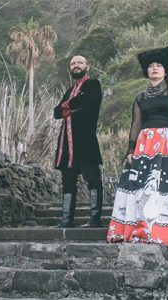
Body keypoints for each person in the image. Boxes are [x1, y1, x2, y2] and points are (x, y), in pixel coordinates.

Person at [107, 46, 168, 252]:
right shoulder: (141, 97)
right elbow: (135, 125)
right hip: (145, 145)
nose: (155, 68)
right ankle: (143, 230)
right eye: (151, 66)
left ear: (165, 70)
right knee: (144, 189)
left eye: (158, 65)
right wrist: (131, 151)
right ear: (146, 72)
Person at [53, 55, 103, 228]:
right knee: (68, 182)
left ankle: (95, 220)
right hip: (67, 143)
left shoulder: (93, 85)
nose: (76, 66)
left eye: (80, 63)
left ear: (87, 66)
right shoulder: (69, 90)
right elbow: (56, 113)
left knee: (93, 179)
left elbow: (87, 101)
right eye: (73, 63)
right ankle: (67, 220)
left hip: (85, 140)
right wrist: (71, 106)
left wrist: (67, 106)